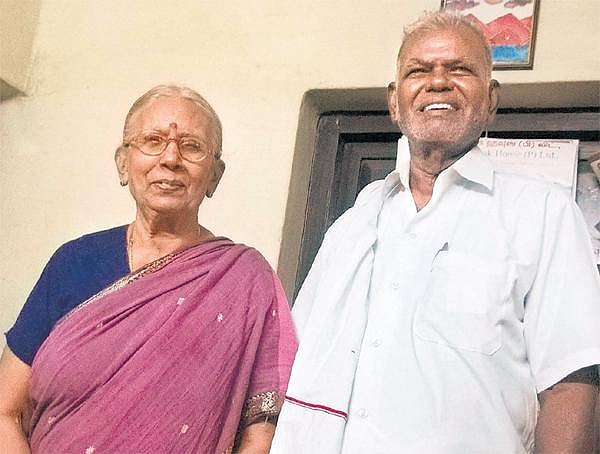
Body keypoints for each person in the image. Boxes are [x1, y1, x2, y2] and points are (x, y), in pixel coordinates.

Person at [271, 11, 600, 454]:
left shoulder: (540, 213)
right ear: (394, 101)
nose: (438, 82)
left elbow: (570, 382)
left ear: (491, 99)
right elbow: (293, 359)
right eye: (418, 71)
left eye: (460, 69)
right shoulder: (352, 227)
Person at [0, 85, 297, 453]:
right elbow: (5, 410)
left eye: (191, 146)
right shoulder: (73, 262)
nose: (170, 158)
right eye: (153, 140)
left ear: (214, 176)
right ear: (123, 163)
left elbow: (261, 432)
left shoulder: (245, 279)